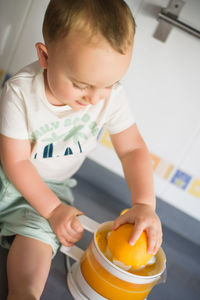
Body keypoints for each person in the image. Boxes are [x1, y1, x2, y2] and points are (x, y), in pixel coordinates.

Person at [0, 0, 162, 299]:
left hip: (47, 192)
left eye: (110, 83)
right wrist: (55, 210)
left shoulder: (110, 97)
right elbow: (17, 162)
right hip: (7, 173)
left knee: (38, 244)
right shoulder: (20, 92)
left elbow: (133, 149)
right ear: (45, 56)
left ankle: (23, 292)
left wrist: (144, 204)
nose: (95, 97)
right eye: (81, 84)